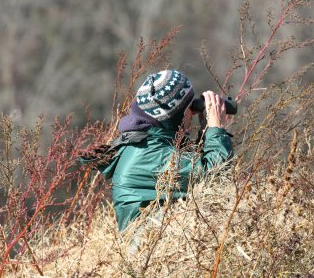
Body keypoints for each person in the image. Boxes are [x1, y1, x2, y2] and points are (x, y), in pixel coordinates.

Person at [81, 69, 233, 231]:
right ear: (175, 114)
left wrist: (205, 132)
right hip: (148, 249)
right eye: (190, 107)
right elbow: (215, 176)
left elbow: (196, 174)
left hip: (155, 244)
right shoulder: (147, 153)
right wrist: (215, 128)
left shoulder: (147, 144)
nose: (194, 112)